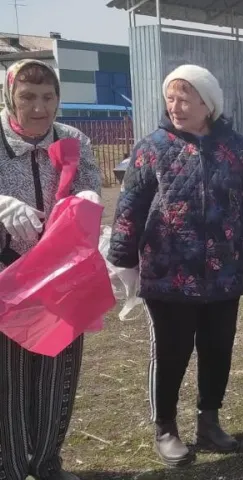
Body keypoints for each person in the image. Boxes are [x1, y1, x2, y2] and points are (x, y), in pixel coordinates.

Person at [108, 64, 243, 466]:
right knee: (171, 352)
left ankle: (209, 420)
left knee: (218, 349)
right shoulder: (153, 147)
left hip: (224, 272)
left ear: (208, 103)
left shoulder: (237, 148)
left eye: (186, 97)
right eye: (171, 97)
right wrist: (122, 258)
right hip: (168, 273)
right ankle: (165, 427)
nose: (176, 105)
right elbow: (130, 205)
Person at [0, 59, 102, 480]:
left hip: (62, 281)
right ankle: (8, 466)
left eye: (48, 97)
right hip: (9, 281)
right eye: (27, 97)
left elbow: (88, 183)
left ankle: (46, 462)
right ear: (10, 97)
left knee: (58, 376)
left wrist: (90, 200)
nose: (39, 107)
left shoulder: (73, 138)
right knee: (10, 382)